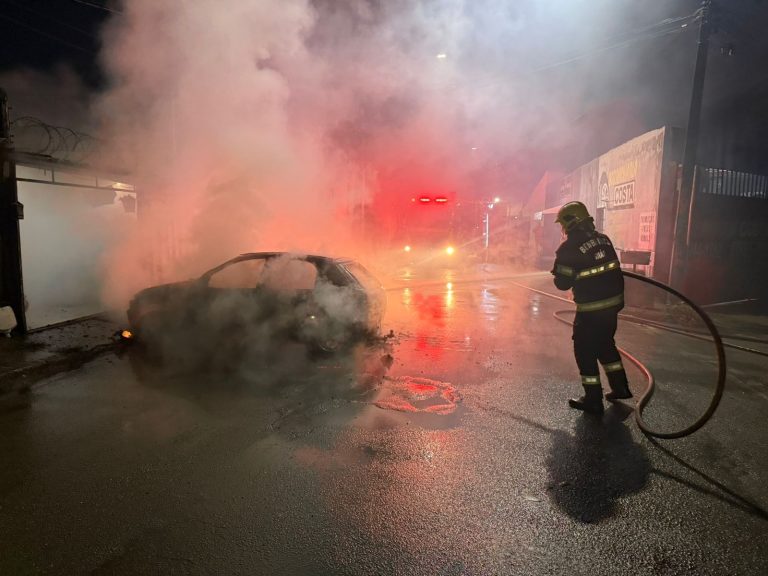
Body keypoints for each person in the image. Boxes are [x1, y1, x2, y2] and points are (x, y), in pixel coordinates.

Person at [551, 201, 632, 414]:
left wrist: (561, 270)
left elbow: (562, 284)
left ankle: (593, 399)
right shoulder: (603, 239)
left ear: (571, 222)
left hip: (591, 309)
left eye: (563, 224)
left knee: (584, 350)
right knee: (605, 343)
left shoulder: (568, 247)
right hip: (613, 305)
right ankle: (621, 387)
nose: (562, 229)